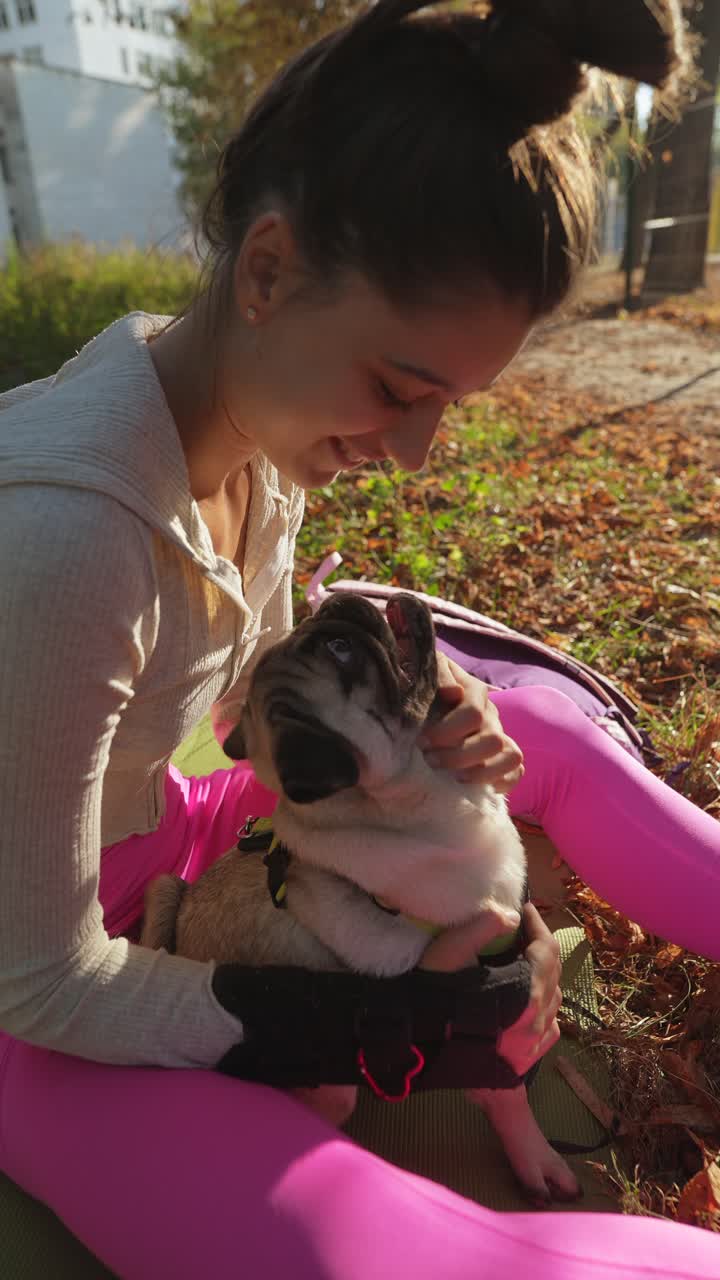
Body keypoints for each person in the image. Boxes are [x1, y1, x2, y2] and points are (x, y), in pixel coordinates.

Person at [1, 0, 719, 1276]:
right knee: (353, 1249)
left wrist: (437, 729)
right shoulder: (61, 545)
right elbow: (42, 980)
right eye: (400, 387)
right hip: (42, 1001)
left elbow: (243, 718)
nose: (410, 450)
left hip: (184, 832)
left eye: (445, 403)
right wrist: (392, 1015)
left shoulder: (250, 435)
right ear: (267, 270)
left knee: (534, 728)